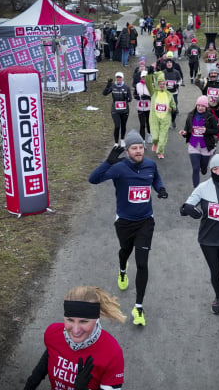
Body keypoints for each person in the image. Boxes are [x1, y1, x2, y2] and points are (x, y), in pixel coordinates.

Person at [89, 131, 168, 326]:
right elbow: (93, 179)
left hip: (145, 221)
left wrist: (161, 189)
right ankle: (122, 269)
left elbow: (156, 179)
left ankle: (138, 307)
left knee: (142, 263)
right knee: (125, 250)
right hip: (124, 221)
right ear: (127, 150)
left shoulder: (150, 165)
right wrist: (108, 162)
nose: (139, 151)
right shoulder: (118, 168)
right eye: (134, 148)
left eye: (141, 147)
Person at [23, 285, 126, 390]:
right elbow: (41, 368)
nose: (76, 330)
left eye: (84, 321)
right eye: (70, 320)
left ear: (96, 320)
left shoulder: (112, 352)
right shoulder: (53, 334)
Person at [180, 154, 219, 315]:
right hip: (208, 239)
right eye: (214, 169)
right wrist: (188, 209)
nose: (218, 172)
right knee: (215, 272)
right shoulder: (202, 187)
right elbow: (188, 204)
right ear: (210, 170)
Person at [179, 95, 219, 187]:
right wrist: (184, 132)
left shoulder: (210, 117)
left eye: (202, 106)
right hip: (193, 146)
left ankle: (204, 167)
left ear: (206, 107)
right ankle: (196, 191)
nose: (200, 108)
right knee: (195, 168)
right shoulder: (190, 115)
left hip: (206, 146)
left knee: (203, 170)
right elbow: (187, 128)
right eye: (198, 105)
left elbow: (216, 130)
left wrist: (206, 131)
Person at [145, 68, 177, 159]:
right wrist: (149, 74)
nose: (162, 85)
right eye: (160, 84)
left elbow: (174, 106)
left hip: (165, 119)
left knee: (162, 137)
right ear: (157, 84)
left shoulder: (169, 94)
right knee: (155, 137)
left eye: (163, 84)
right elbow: (148, 83)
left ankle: (160, 152)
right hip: (155, 117)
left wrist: (172, 108)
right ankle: (155, 143)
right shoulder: (154, 93)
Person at [195, 67, 219, 141]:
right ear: (209, 74)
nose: (213, 75)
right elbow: (197, 83)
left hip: (217, 111)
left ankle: (214, 142)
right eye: (211, 73)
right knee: (204, 125)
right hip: (205, 110)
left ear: (218, 74)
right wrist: (198, 77)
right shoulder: (205, 82)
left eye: (215, 73)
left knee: (215, 127)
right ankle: (204, 139)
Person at [103, 72, 132, 147]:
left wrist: (127, 98)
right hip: (115, 110)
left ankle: (122, 140)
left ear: (122, 79)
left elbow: (130, 99)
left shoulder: (126, 87)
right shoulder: (113, 86)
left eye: (120, 78)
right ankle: (116, 142)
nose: (118, 79)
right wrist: (107, 85)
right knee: (117, 126)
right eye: (117, 78)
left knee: (123, 125)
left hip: (125, 110)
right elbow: (104, 94)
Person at [162, 58, 182, 128]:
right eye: (168, 63)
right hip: (165, 93)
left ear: (172, 64)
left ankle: (173, 120)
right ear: (166, 64)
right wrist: (164, 86)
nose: (169, 64)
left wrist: (177, 85)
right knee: (166, 107)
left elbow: (180, 80)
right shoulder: (163, 72)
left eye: (170, 62)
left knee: (174, 107)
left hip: (174, 93)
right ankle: (167, 121)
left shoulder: (176, 72)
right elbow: (159, 81)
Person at [134, 70, 152, 143]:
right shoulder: (137, 85)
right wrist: (136, 97)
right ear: (141, 77)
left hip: (149, 108)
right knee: (142, 124)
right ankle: (142, 140)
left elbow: (154, 97)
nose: (144, 78)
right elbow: (134, 94)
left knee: (148, 123)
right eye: (143, 77)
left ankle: (149, 135)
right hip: (140, 107)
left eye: (145, 77)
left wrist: (148, 97)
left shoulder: (151, 85)